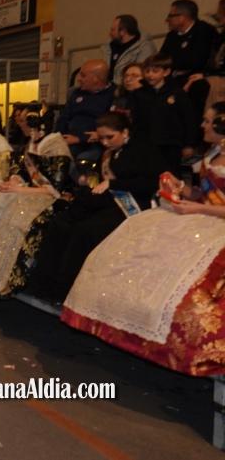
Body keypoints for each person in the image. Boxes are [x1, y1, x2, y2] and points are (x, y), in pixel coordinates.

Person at [62, 101, 225, 376]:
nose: (203, 125)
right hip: (200, 215)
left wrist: (198, 208)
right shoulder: (214, 152)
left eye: (209, 121)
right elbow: (201, 193)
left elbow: (209, 203)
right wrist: (181, 188)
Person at [28, 112, 160, 303]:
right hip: (104, 200)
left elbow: (150, 183)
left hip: (130, 203)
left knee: (85, 231)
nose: (105, 142)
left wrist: (115, 184)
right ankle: (44, 284)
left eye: (110, 137)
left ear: (125, 132)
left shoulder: (143, 150)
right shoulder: (109, 152)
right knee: (60, 222)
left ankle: (65, 291)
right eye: (102, 138)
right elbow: (99, 179)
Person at [0, 109, 74, 296]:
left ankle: (11, 276)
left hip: (49, 197)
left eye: (26, 121)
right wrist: (15, 180)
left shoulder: (56, 148)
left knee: (18, 217)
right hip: (27, 191)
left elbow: (55, 187)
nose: (21, 124)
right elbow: (22, 171)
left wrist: (18, 189)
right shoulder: (33, 142)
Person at [131, 53, 197, 174]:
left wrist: (189, 144)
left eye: (155, 71)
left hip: (170, 144)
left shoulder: (177, 93)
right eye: (147, 71)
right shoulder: (139, 94)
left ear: (166, 72)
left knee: (171, 175)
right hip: (147, 143)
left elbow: (188, 120)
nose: (150, 75)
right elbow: (136, 120)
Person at [161, 0, 217, 119]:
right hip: (173, 77)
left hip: (195, 78)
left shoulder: (204, 31)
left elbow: (196, 61)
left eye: (170, 16)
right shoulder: (172, 36)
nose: (167, 20)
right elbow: (163, 59)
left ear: (182, 17)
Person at [55, 58, 115, 162]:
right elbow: (64, 118)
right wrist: (56, 138)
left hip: (95, 143)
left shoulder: (113, 95)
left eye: (83, 75)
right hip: (68, 140)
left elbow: (112, 126)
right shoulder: (76, 93)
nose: (79, 79)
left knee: (79, 160)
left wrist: (79, 139)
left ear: (95, 79)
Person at [101, 14, 157, 83]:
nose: (110, 33)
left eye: (113, 30)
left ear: (123, 32)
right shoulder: (109, 47)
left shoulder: (144, 48)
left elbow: (141, 74)